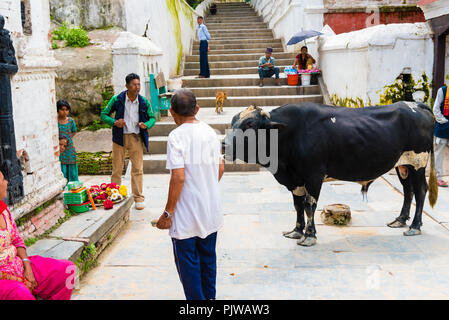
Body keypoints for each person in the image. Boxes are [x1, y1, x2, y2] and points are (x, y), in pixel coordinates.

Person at [156, 88, 225, 300]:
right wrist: (205, 187)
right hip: (210, 212)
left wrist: (167, 213)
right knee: (208, 263)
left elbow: (178, 177)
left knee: (189, 269)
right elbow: (220, 168)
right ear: (197, 109)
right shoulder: (211, 132)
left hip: (186, 217)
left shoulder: (176, 136)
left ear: (172, 112)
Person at [0, 167, 76, 300]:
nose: (6, 182)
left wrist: (27, 267)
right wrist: (18, 280)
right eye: (2, 180)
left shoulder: (4, 211)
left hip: (19, 265)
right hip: (4, 279)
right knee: (21, 293)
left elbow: (17, 240)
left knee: (68, 270)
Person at [101, 73, 156, 210]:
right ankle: (115, 195)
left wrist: (146, 125)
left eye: (138, 84)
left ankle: (138, 198)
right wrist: (115, 122)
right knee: (117, 168)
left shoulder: (144, 102)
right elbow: (103, 114)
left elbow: (152, 118)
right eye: (134, 85)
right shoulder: (117, 99)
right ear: (127, 86)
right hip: (120, 137)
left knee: (137, 168)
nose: (137, 87)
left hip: (136, 137)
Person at [57, 100, 79, 183]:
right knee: (62, 166)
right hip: (60, 148)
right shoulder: (55, 121)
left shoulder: (71, 121)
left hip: (69, 147)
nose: (65, 112)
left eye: (66, 110)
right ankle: (63, 186)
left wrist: (68, 139)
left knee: (72, 164)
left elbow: (74, 131)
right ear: (58, 110)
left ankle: (74, 185)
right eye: (62, 110)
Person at [433, 84, 449, 187]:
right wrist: (445, 121)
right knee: (438, 153)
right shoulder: (442, 91)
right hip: (443, 126)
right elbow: (436, 109)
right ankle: (438, 178)